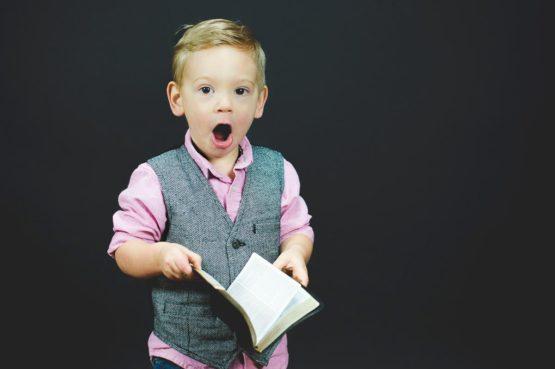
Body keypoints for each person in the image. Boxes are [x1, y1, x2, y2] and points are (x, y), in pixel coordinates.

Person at [107, 18, 314, 369]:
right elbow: (124, 248)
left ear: (260, 101)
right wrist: (159, 255)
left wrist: (296, 252)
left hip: (263, 355)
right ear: (177, 99)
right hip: (185, 356)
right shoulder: (156, 177)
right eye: (206, 90)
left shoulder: (279, 171)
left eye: (240, 91)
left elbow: (297, 229)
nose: (225, 105)